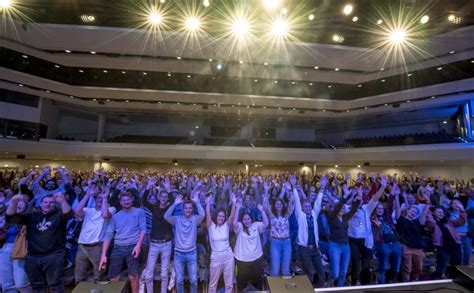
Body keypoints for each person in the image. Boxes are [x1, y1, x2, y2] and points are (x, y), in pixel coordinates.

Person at [6, 192, 74, 293]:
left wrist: (63, 201)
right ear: (40, 204)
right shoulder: (32, 215)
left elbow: (69, 215)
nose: (48, 204)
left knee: (55, 285)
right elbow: (11, 218)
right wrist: (14, 202)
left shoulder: (59, 214)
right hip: (33, 256)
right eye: (45, 202)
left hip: (54, 255)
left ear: (55, 204)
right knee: (37, 286)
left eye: (51, 202)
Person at [99, 192, 146, 293]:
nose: (126, 202)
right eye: (124, 200)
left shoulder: (139, 212)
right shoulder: (115, 216)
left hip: (133, 246)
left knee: (133, 276)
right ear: (120, 202)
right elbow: (108, 235)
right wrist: (103, 255)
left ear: (132, 200)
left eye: (128, 199)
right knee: (113, 276)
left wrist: (138, 246)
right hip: (118, 247)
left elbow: (143, 230)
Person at [348, 176, 387, 285]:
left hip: (365, 240)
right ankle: (354, 282)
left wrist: (383, 187)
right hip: (353, 240)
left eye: (360, 199)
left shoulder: (366, 208)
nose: (359, 200)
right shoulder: (348, 209)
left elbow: (375, 198)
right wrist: (352, 195)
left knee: (367, 263)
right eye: (357, 198)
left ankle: (365, 283)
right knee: (355, 263)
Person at [164, 192, 205, 293]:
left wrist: (197, 202)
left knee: (194, 280)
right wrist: (174, 204)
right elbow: (166, 216)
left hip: (192, 253)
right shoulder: (177, 219)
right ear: (182, 209)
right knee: (179, 280)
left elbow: (203, 215)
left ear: (192, 209)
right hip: (178, 254)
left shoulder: (195, 219)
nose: (188, 210)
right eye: (186, 208)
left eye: (190, 208)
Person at [74, 185, 115, 283]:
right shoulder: (88, 210)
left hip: (98, 246)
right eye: (98, 198)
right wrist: (88, 194)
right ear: (95, 199)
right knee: (79, 277)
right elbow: (77, 211)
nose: (100, 199)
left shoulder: (112, 209)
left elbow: (105, 215)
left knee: (99, 277)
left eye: (103, 198)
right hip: (82, 247)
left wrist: (105, 198)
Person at [292, 176, 326, 286]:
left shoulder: (314, 214)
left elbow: (318, 203)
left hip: (315, 249)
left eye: (309, 206)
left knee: (321, 273)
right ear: (302, 207)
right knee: (309, 274)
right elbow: (297, 201)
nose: (308, 208)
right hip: (304, 249)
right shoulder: (300, 215)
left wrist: (322, 188)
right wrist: (293, 187)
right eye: (305, 206)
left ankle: (320, 289)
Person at [142, 177, 173, 293]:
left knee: (164, 273)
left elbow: (174, 202)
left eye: (166, 197)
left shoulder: (170, 208)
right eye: (162, 196)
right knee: (149, 274)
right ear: (159, 197)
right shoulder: (154, 207)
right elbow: (144, 201)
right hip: (154, 244)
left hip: (166, 243)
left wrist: (169, 189)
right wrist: (148, 186)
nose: (164, 198)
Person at [326, 185, 361, 287]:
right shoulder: (331, 217)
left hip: (346, 246)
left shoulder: (346, 217)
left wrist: (358, 198)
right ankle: (328, 286)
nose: (341, 209)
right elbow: (337, 207)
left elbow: (354, 209)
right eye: (339, 208)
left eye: (343, 208)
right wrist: (344, 197)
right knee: (335, 273)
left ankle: (339, 289)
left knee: (343, 272)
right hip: (335, 246)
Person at [232, 197, 269, 291]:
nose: (246, 221)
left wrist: (262, 211)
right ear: (242, 220)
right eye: (244, 219)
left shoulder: (256, 225)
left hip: (256, 259)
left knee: (258, 282)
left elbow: (266, 223)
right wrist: (237, 208)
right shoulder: (239, 227)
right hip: (241, 260)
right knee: (241, 283)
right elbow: (234, 223)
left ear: (251, 219)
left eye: (248, 219)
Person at [205, 193, 236, 293]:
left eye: (223, 216)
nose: (221, 218)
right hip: (216, 256)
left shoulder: (226, 226)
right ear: (216, 216)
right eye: (219, 216)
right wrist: (208, 203)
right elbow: (208, 214)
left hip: (228, 255)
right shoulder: (211, 226)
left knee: (229, 284)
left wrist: (234, 202)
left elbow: (231, 216)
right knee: (213, 284)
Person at [426, 201, 466, 279]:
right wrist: (427, 209)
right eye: (438, 212)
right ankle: (432, 282)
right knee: (440, 269)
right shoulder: (433, 223)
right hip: (443, 248)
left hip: (455, 246)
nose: (440, 213)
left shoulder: (448, 221)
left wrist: (462, 211)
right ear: (435, 213)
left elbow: (461, 222)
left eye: (442, 212)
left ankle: (452, 281)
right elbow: (429, 219)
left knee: (456, 267)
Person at [372, 182, 402, 284]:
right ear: (375, 210)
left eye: (381, 209)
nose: (380, 210)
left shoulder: (388, 216)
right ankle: (381, 284)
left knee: (397, 268)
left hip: (396, 242)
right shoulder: (373, 218)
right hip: (383, 243)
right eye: (378, 209)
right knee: (383, 266)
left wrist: (394, 187)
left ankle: (390, 281)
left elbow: (390, 201)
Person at [0, 198, 31, 293]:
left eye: (22, 204)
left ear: (26, 207)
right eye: (17, 204)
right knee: (6, 283)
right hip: (5, 249)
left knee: (21, 283)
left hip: (19, 249)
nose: (19, 206)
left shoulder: (28, 219)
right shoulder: (7, 220)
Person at [396, 202, 429, 282]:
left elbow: (424, 213)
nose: (413, 212)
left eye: (415, 212)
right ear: (407, 211)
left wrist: (427, 203)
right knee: (407, 268)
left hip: (417, 247)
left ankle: (414, 280)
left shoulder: (417, 222)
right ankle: (406, 283)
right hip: (406, 246)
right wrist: (397, 195)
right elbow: (397, 208)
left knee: (419, 268)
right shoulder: (402, 220)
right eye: (412, 210)